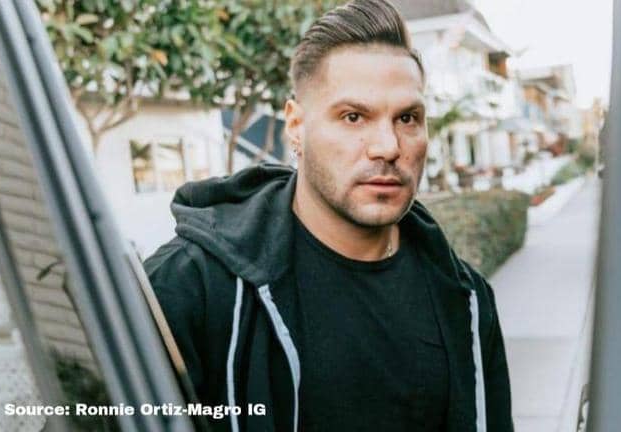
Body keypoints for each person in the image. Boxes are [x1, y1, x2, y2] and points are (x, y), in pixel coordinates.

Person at [144, 0, 513, 430]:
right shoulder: (191, 288)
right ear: (296, 126)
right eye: (353, 117)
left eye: (407, 118)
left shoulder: (466, 300)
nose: (388, 146)